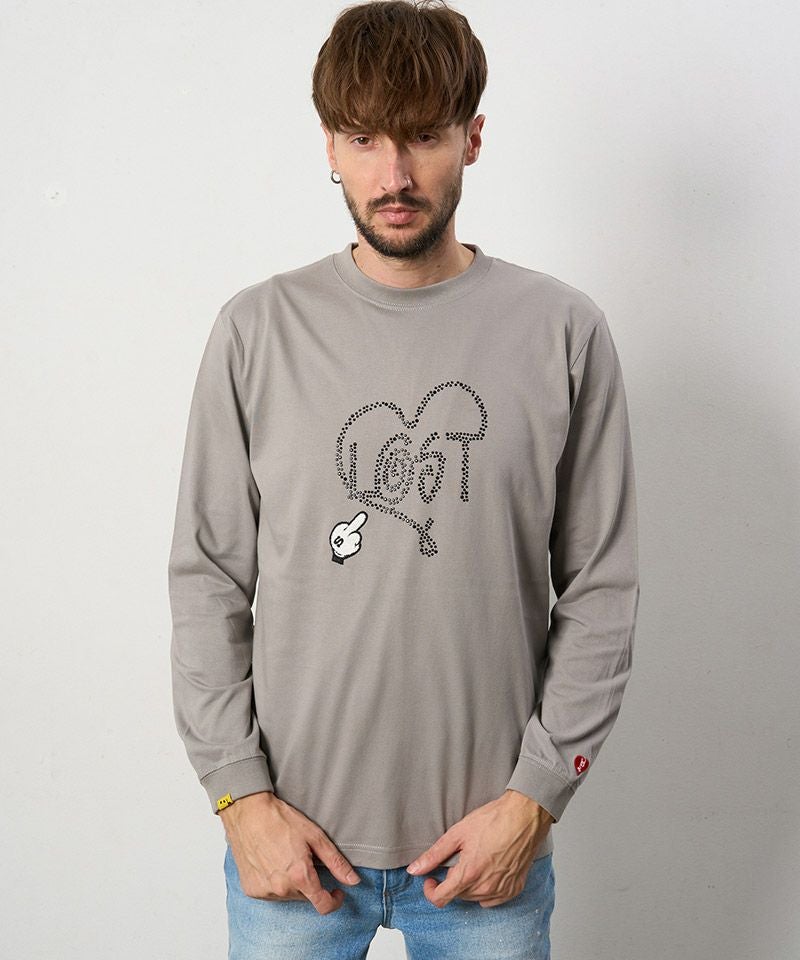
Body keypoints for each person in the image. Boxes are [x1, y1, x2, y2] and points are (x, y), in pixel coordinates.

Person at [166, 1, 640, 957]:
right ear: (329, 147)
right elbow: (207, 579)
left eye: (423, 136)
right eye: (363, 139)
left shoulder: (562, 333)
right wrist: (239, 799)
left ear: (472, 138)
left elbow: (602, 586)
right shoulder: (258, 331)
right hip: (292, 856)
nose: (394, 175)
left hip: (487, 858)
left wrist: (537, 799)